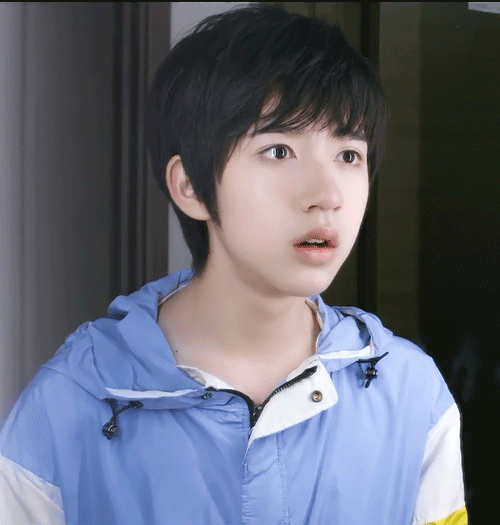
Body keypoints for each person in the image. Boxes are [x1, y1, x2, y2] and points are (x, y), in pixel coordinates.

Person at [0, 4, 467, 524]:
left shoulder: (412, 396)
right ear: (191, 187)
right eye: (279, 151)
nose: (328, 195)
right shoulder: (67, 407)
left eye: (349, 155)